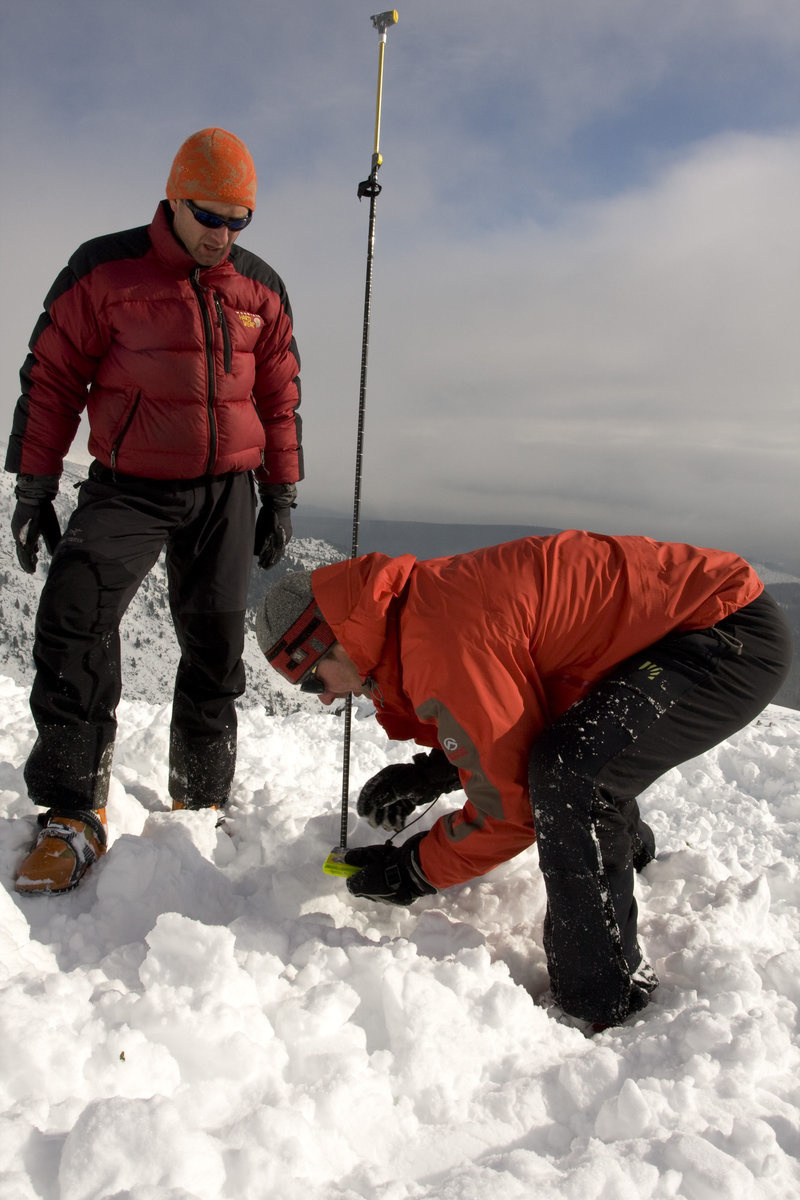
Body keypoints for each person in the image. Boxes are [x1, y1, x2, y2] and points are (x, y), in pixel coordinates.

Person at [254, 532, 792, 1030]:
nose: (322, 696)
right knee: (570, 752)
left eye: (309, 681)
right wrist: (436, 771)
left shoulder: (439, 640)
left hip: (724, 632)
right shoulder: (410, 616)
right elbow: (511, 711)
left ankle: (605, 994)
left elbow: (511, 810)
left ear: (332, 643)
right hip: (684, 630)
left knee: (570, 775)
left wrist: (412, 870)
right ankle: (625, 859)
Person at [7, 127, 302, 895]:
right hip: (128, 484)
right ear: (173, 200)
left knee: (214, 648)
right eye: (210, 216)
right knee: (73, 618)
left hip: (227, 491)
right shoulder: (103, 270)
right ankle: (72, 813)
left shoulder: (260, 288)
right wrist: (35, 485)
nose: (223, 234)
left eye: (240, 221)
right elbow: (51, 379)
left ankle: (200, 798)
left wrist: (281, 490)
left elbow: (279, 395)